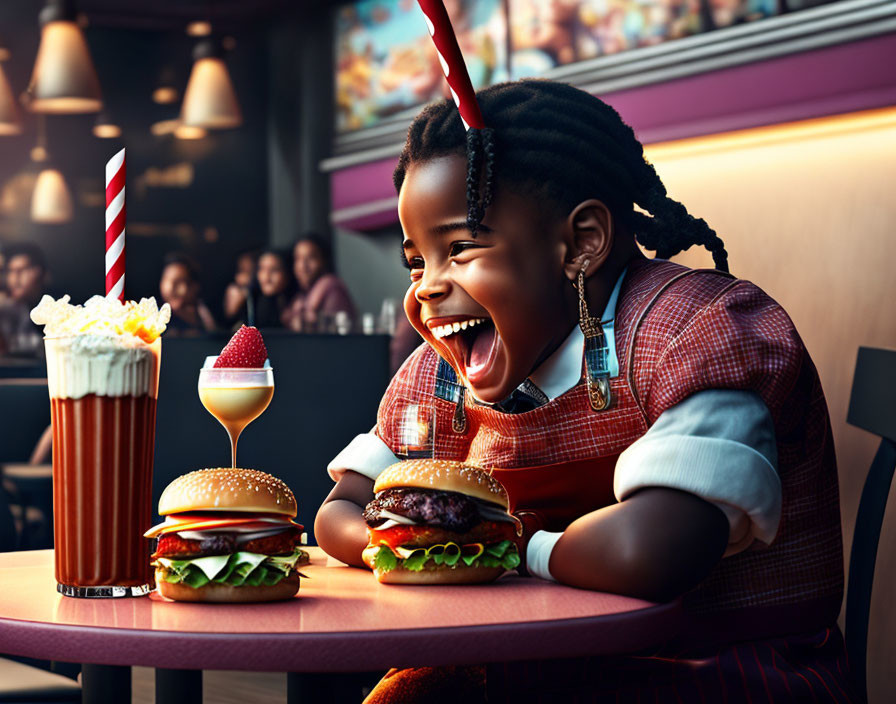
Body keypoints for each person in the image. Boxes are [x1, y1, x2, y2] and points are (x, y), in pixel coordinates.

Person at [314, 80, 854, 703]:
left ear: (581, 243)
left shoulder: (697, 331)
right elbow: (339, 513)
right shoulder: (436, 376)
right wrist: (414, 545)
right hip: (527, 661)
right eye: (417, 262)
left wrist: (493, 544)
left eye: (460, 248)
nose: (429, 287)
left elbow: (652, 551)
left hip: (717, 670)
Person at [284, 234, 357, 333]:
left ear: (324, 260)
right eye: (298, 258)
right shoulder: (300, 297)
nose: (303, 266)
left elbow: (335, 339)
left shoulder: (332, 288)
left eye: (311, 258)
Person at [0, 242, 50, 356]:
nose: (15, 277)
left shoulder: (56, 307)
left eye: (22, 269)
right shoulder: (6, 308)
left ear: (40, 273)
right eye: (11, 271)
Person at [158, 253, 216, 335]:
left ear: (194, 286)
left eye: (179, 281)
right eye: (167, 279)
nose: (170, 287)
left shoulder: (204, 314)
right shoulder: (155, 316)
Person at [253, 248, 296, 329]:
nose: (266, 276)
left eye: (274, 270)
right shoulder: (250, 303)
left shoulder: (296, 305)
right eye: (262, 269)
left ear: (287, 274)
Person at [222, 249, 258, 328]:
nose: (244, 276)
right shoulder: (234, 290)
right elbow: (229, 315)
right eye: (242, 270)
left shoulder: (260, 292)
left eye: (250, 271)